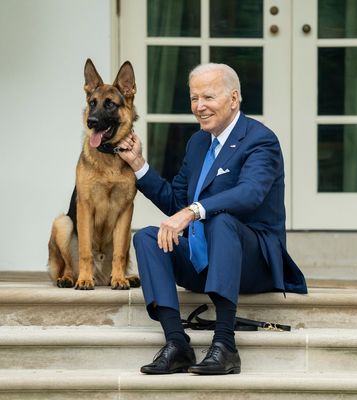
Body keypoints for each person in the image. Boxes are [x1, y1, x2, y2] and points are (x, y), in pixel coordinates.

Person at [118, 63, 307, 375]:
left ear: (233, 99)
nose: (199, 106)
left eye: (208, 97)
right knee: (147, 237)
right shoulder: (197, 143)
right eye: (194, 98)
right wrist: (138, 165)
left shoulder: (260, 140)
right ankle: (176, 343)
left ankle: (225, 344)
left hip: (252, 261)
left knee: (220, 220)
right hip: (204, 260)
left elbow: (250, 194)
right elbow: (176, 202)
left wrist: (193, 212)